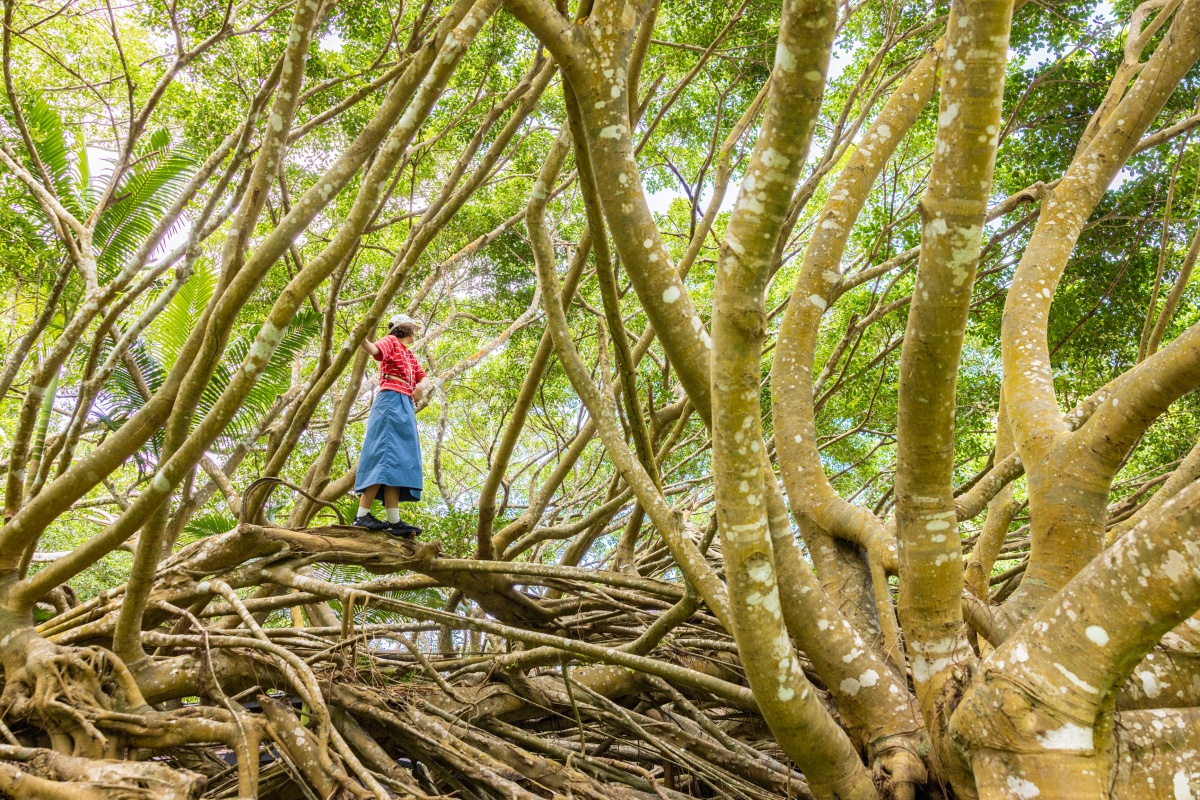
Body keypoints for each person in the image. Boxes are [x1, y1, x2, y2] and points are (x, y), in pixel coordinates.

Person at [353, 313, 431, 536]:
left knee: (397, 459)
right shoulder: (391, 342)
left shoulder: (409, 355)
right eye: (412, 328)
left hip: (405, 404)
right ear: (403, 328)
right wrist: (360, 335)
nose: (415, 331)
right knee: (382, 454)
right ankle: (362, 515)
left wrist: (420, 389)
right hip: (390, 400)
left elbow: (423, 378)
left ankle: (393, 521)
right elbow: (373, 349)